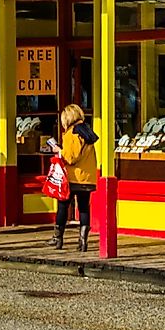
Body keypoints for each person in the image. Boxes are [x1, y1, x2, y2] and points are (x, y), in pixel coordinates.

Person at [48, 103, 99, 251]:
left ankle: (58, 238)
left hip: (72, 177)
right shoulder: (87, 131)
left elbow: (71, 157)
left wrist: (58, 150)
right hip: (87, 177)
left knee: (63, 206)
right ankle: (83, 242)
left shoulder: (72, 133)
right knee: (84, 208)